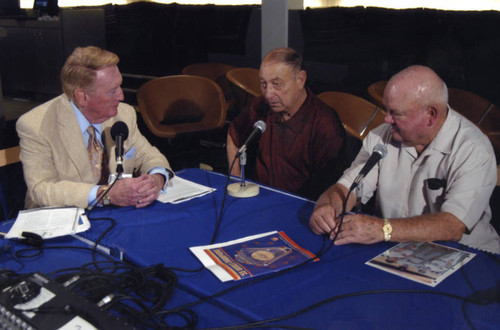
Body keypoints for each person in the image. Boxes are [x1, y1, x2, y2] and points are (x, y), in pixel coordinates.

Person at [309, 65, 500, 254]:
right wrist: (327, 205)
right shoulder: (380, 137)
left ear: (431, 115)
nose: (386, 120)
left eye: (396, 114)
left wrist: (381, 229)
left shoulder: (473, 149)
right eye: (387, 110)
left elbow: (453, 225)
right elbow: (347, 187)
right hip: (396, 249)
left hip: (468, 256)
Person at [16, 46, 173, 209]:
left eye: (120, 86)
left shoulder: (124, 114)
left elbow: (149, 156)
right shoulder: (35, 125)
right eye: (113, 91)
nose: (121, 96)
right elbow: (41, 189)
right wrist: (106, 195)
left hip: (114, 216)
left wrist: (156, 179)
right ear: (82, 96)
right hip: (61, 220)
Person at [226, 47, 345, 198]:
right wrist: (235, 180)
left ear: (300, 79)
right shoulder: (262, 106)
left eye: (277, 84)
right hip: (258, 198)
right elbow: (233, 132)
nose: (268, 94)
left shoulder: (324, 124)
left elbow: (330, 188)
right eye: (264, 84)